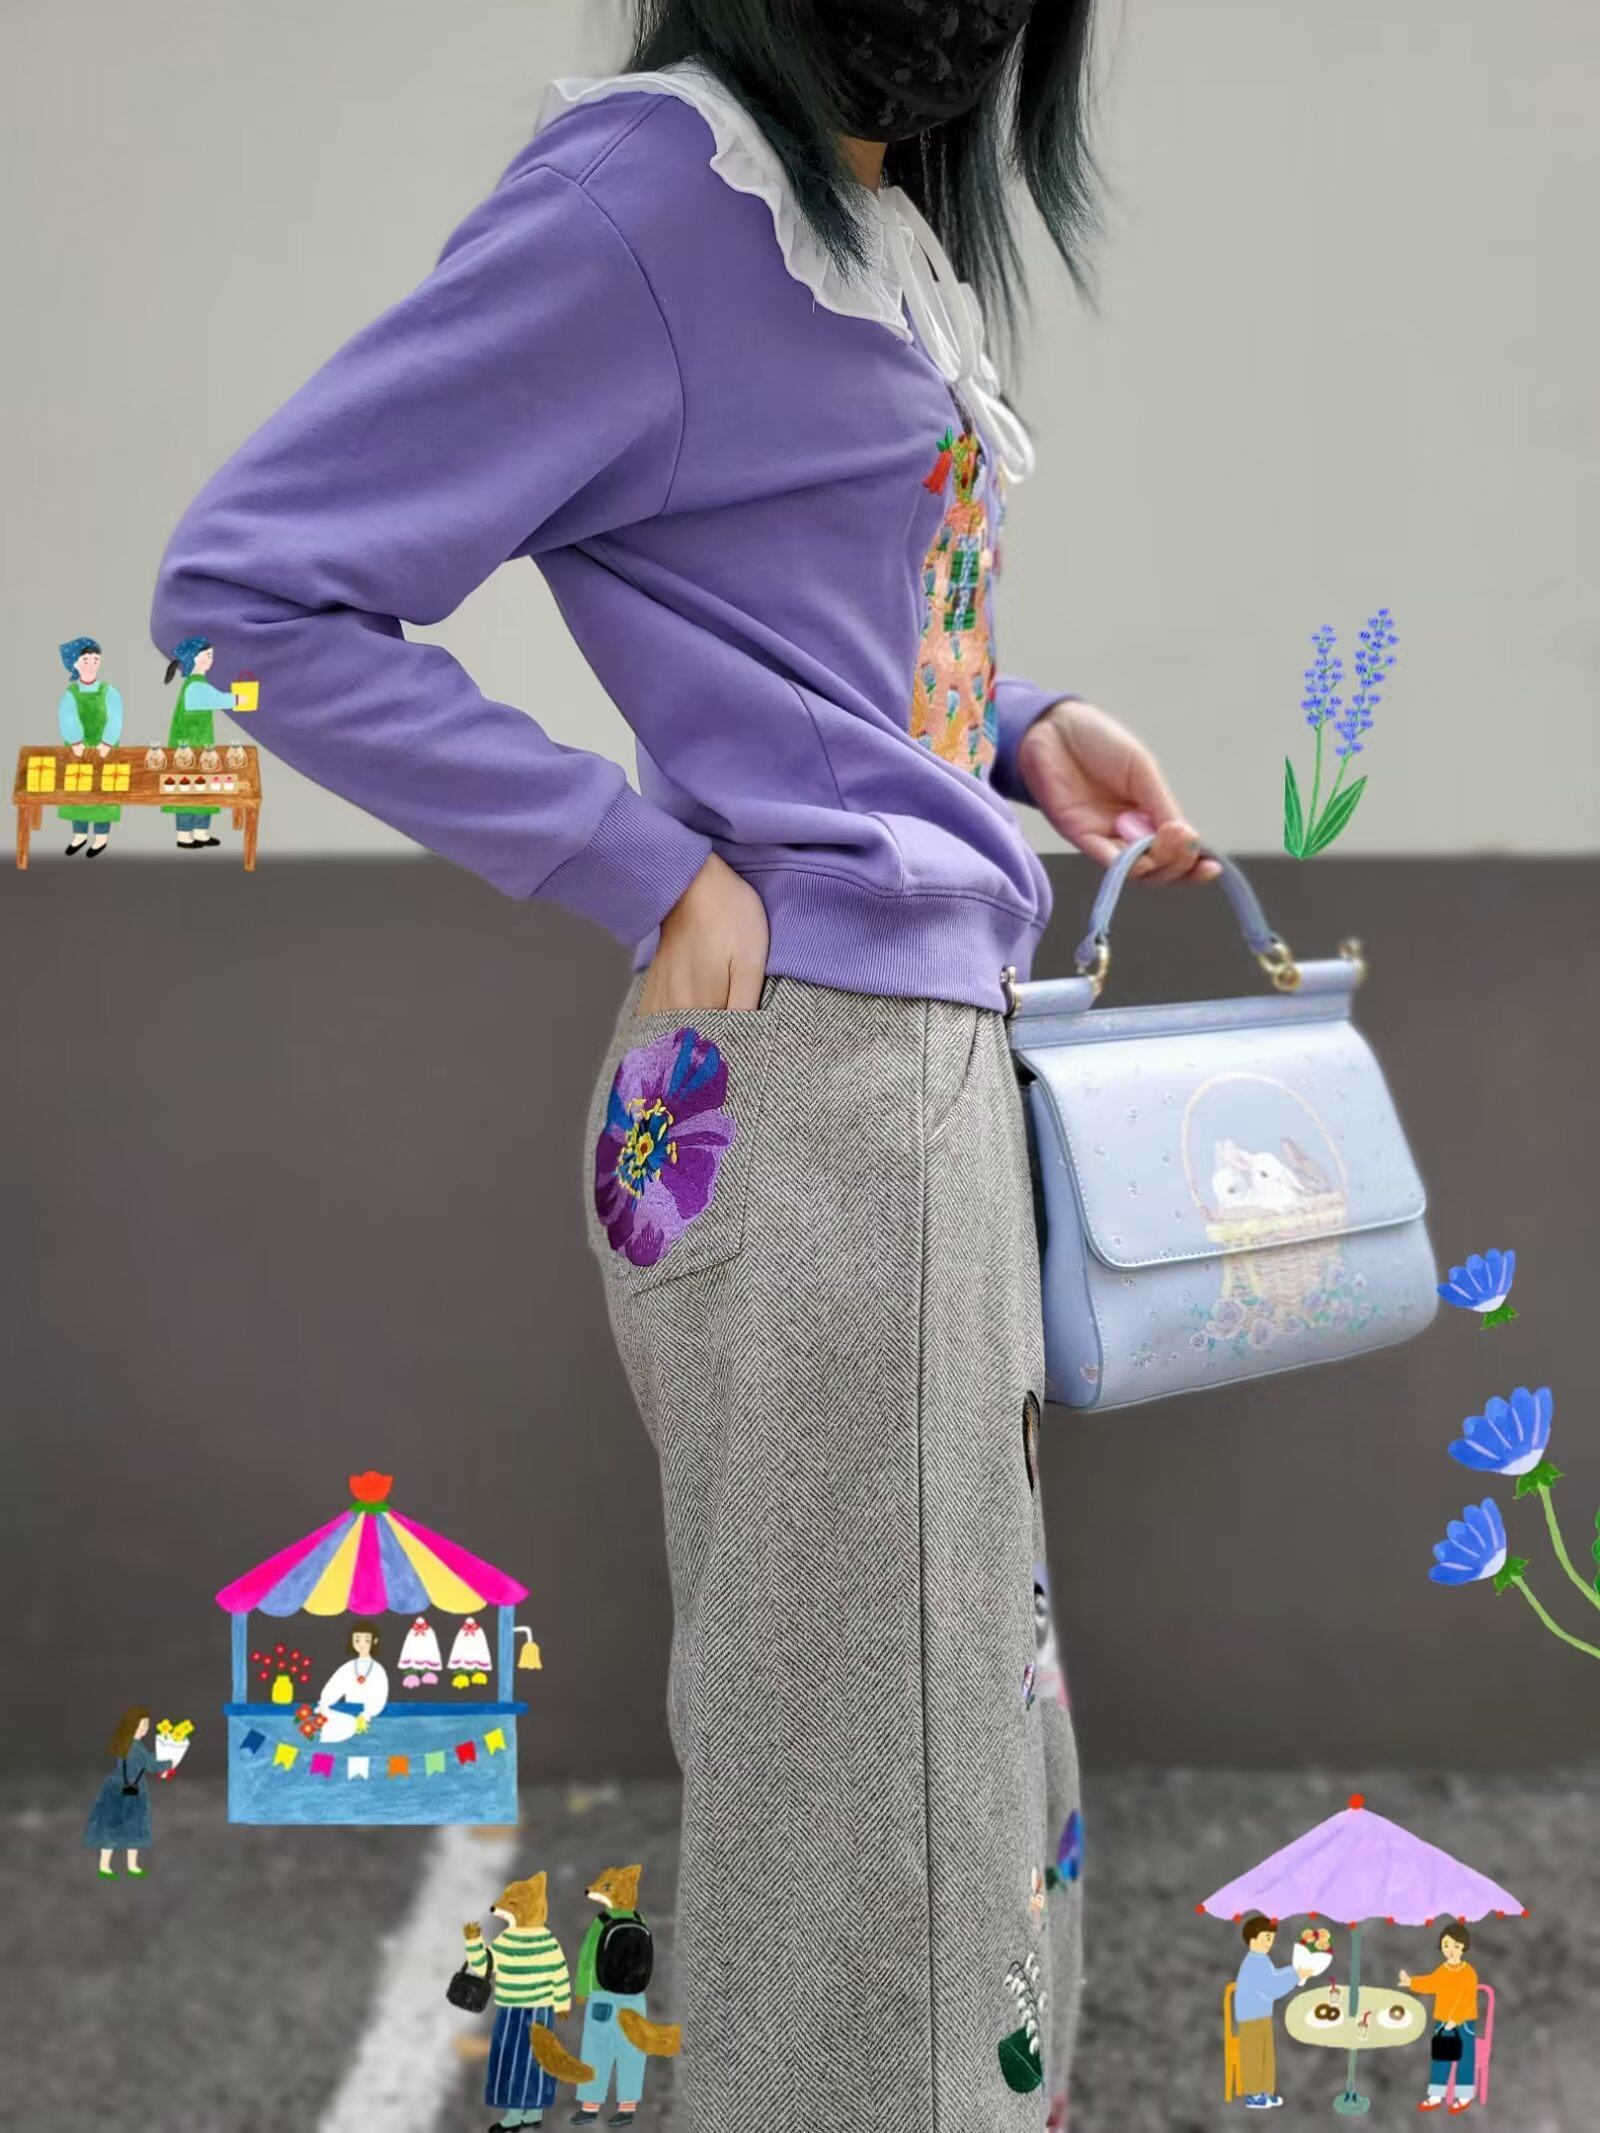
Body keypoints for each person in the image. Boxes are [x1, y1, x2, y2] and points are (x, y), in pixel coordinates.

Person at [149, 8, 1222, 2125]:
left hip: (880, 1073)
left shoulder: (844, 204)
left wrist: (1014, 728)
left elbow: (789, 606)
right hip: (821, 1085)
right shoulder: (657, 194)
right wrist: (632, 861)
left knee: (932, 1744)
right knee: (880, 1792)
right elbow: (247, 592)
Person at [160, 636, 236, 848]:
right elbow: (218, 699)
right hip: (188, 748)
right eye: (207, 655)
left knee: (204, 789)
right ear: (195, 658)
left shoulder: (198, 684)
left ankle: (201, 832)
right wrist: (239, 699)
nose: (211, 660)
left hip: (201, 747)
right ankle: (184, 835)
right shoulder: (195, 686)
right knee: (187, 791)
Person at [1401, 1921, 1481, 2114]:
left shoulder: (1468, 1973)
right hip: (1443, 2020)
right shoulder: (1443, 1970)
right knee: (1441, 2057)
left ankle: (1464, 2095)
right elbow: (1431, 1983)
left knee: (1464, 2058)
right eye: (1446, 1945)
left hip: (1464, 2022)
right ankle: (1436, 2095)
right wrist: (1411, 1982)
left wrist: (1456, 2019)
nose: (1450, 1950)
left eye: (1455, 1945)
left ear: (1463, 1947)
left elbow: (1467, 1999)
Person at [55, 636, 124, 857]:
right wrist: (76, 742)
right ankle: (79, 835)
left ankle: (101, 837)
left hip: (105, 752)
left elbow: (115, 719)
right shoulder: (70, 694)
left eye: (96, 660)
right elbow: (68, 719)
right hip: (78, 753)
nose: (91, 664)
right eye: (86, 660)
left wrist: (107, 743)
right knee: (79, 791)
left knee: (104, 793)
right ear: (75, 664)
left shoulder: (110, 692)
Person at [1233, 1916, 1299, 2110]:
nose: (1269, 1943)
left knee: (1265, 2056)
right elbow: (1271, 1988)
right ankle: (1254, 2094)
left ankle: (1265, 2092)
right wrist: (1295, 1975)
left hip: (1260, 2014)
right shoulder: (1254, 1963)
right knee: (1254, 2055)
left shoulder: (1262, 1960)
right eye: (1266, 1938)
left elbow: (1274, 1977)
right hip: (1251, 2016)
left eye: (1271, 1938)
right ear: (1253, 1939)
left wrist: (1293, 1971)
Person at [83, 1707, 157, 1877]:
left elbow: (145, 1761)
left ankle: (106, 1866)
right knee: (133, 1828)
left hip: (115, 1788)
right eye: (142, 1725)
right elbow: (151, 1765)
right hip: (131, 1791)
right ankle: (130, 1866)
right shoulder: (136, 1747)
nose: (145, 1728)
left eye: (147, 1725)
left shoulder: (125, 1743)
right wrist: (170, 1759)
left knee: (112, 1827)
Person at [313, 1622, 389, 1744]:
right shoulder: (348, 1667)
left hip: (367, 1714)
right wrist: (325, 1702)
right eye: (357, 1640)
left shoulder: (377, 1670)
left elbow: (380, 1693)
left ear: (374, 1641)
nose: (361, 1644)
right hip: (346, 1710)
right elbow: (336, 1685)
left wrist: (368, 1713)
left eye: (366, 1640)